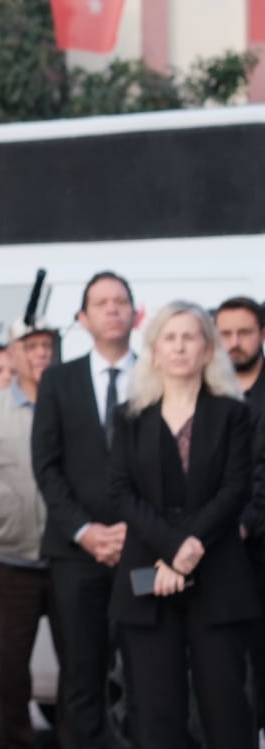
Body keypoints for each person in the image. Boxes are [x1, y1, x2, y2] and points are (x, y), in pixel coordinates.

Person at [108, 301, 256, 749]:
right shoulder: (130, 417)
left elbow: (235, 489)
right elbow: (122, 492)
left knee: (226, 708)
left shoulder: (233, 414)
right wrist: (174, 550)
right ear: (153, 352)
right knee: (156, 713)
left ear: (207, 350)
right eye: (169, 338)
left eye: (189, 337)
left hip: (218, 577)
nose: (179, 347)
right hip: (148, 578)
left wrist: (189, 549)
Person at [31, 272, 137, 749]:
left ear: (135, 314)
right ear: (83, 317)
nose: (112, 309)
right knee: (81, 669)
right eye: (101, 302)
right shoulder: (58, 380)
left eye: (121, 301)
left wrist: (135, 531)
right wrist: (85, 531)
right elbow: (46, 465)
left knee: (144, 665)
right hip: (76, 554)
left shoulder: (156, 377)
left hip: (142, 552)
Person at [0, 325, 56, 749]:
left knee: (84, 665)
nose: (41, 353)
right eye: (31, 346)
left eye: (48, 345)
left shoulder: (71, 400)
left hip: (69, 554)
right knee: (6, 669)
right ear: (12, 353)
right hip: (7, 556)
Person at [216, 295, 265, 738]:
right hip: (216, 555)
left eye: (244, 332)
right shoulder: (203, 394)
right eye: (225, 333)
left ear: (262, 334)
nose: (234, 342)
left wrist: (247, 520)